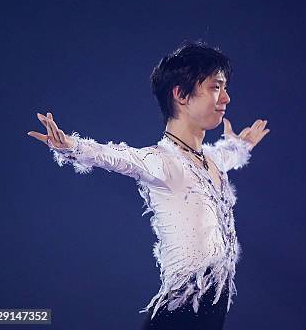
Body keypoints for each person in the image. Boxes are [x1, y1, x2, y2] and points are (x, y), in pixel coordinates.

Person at [27, 42, 270, 329]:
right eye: (216, 87)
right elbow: (118, 157)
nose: (226, 98)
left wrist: (240, 145)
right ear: (180, 94)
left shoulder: (209, 160)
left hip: (209, 318)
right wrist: (70, 145)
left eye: (225, 87)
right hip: (178, 318)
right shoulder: (162, 161)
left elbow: (225, 156)